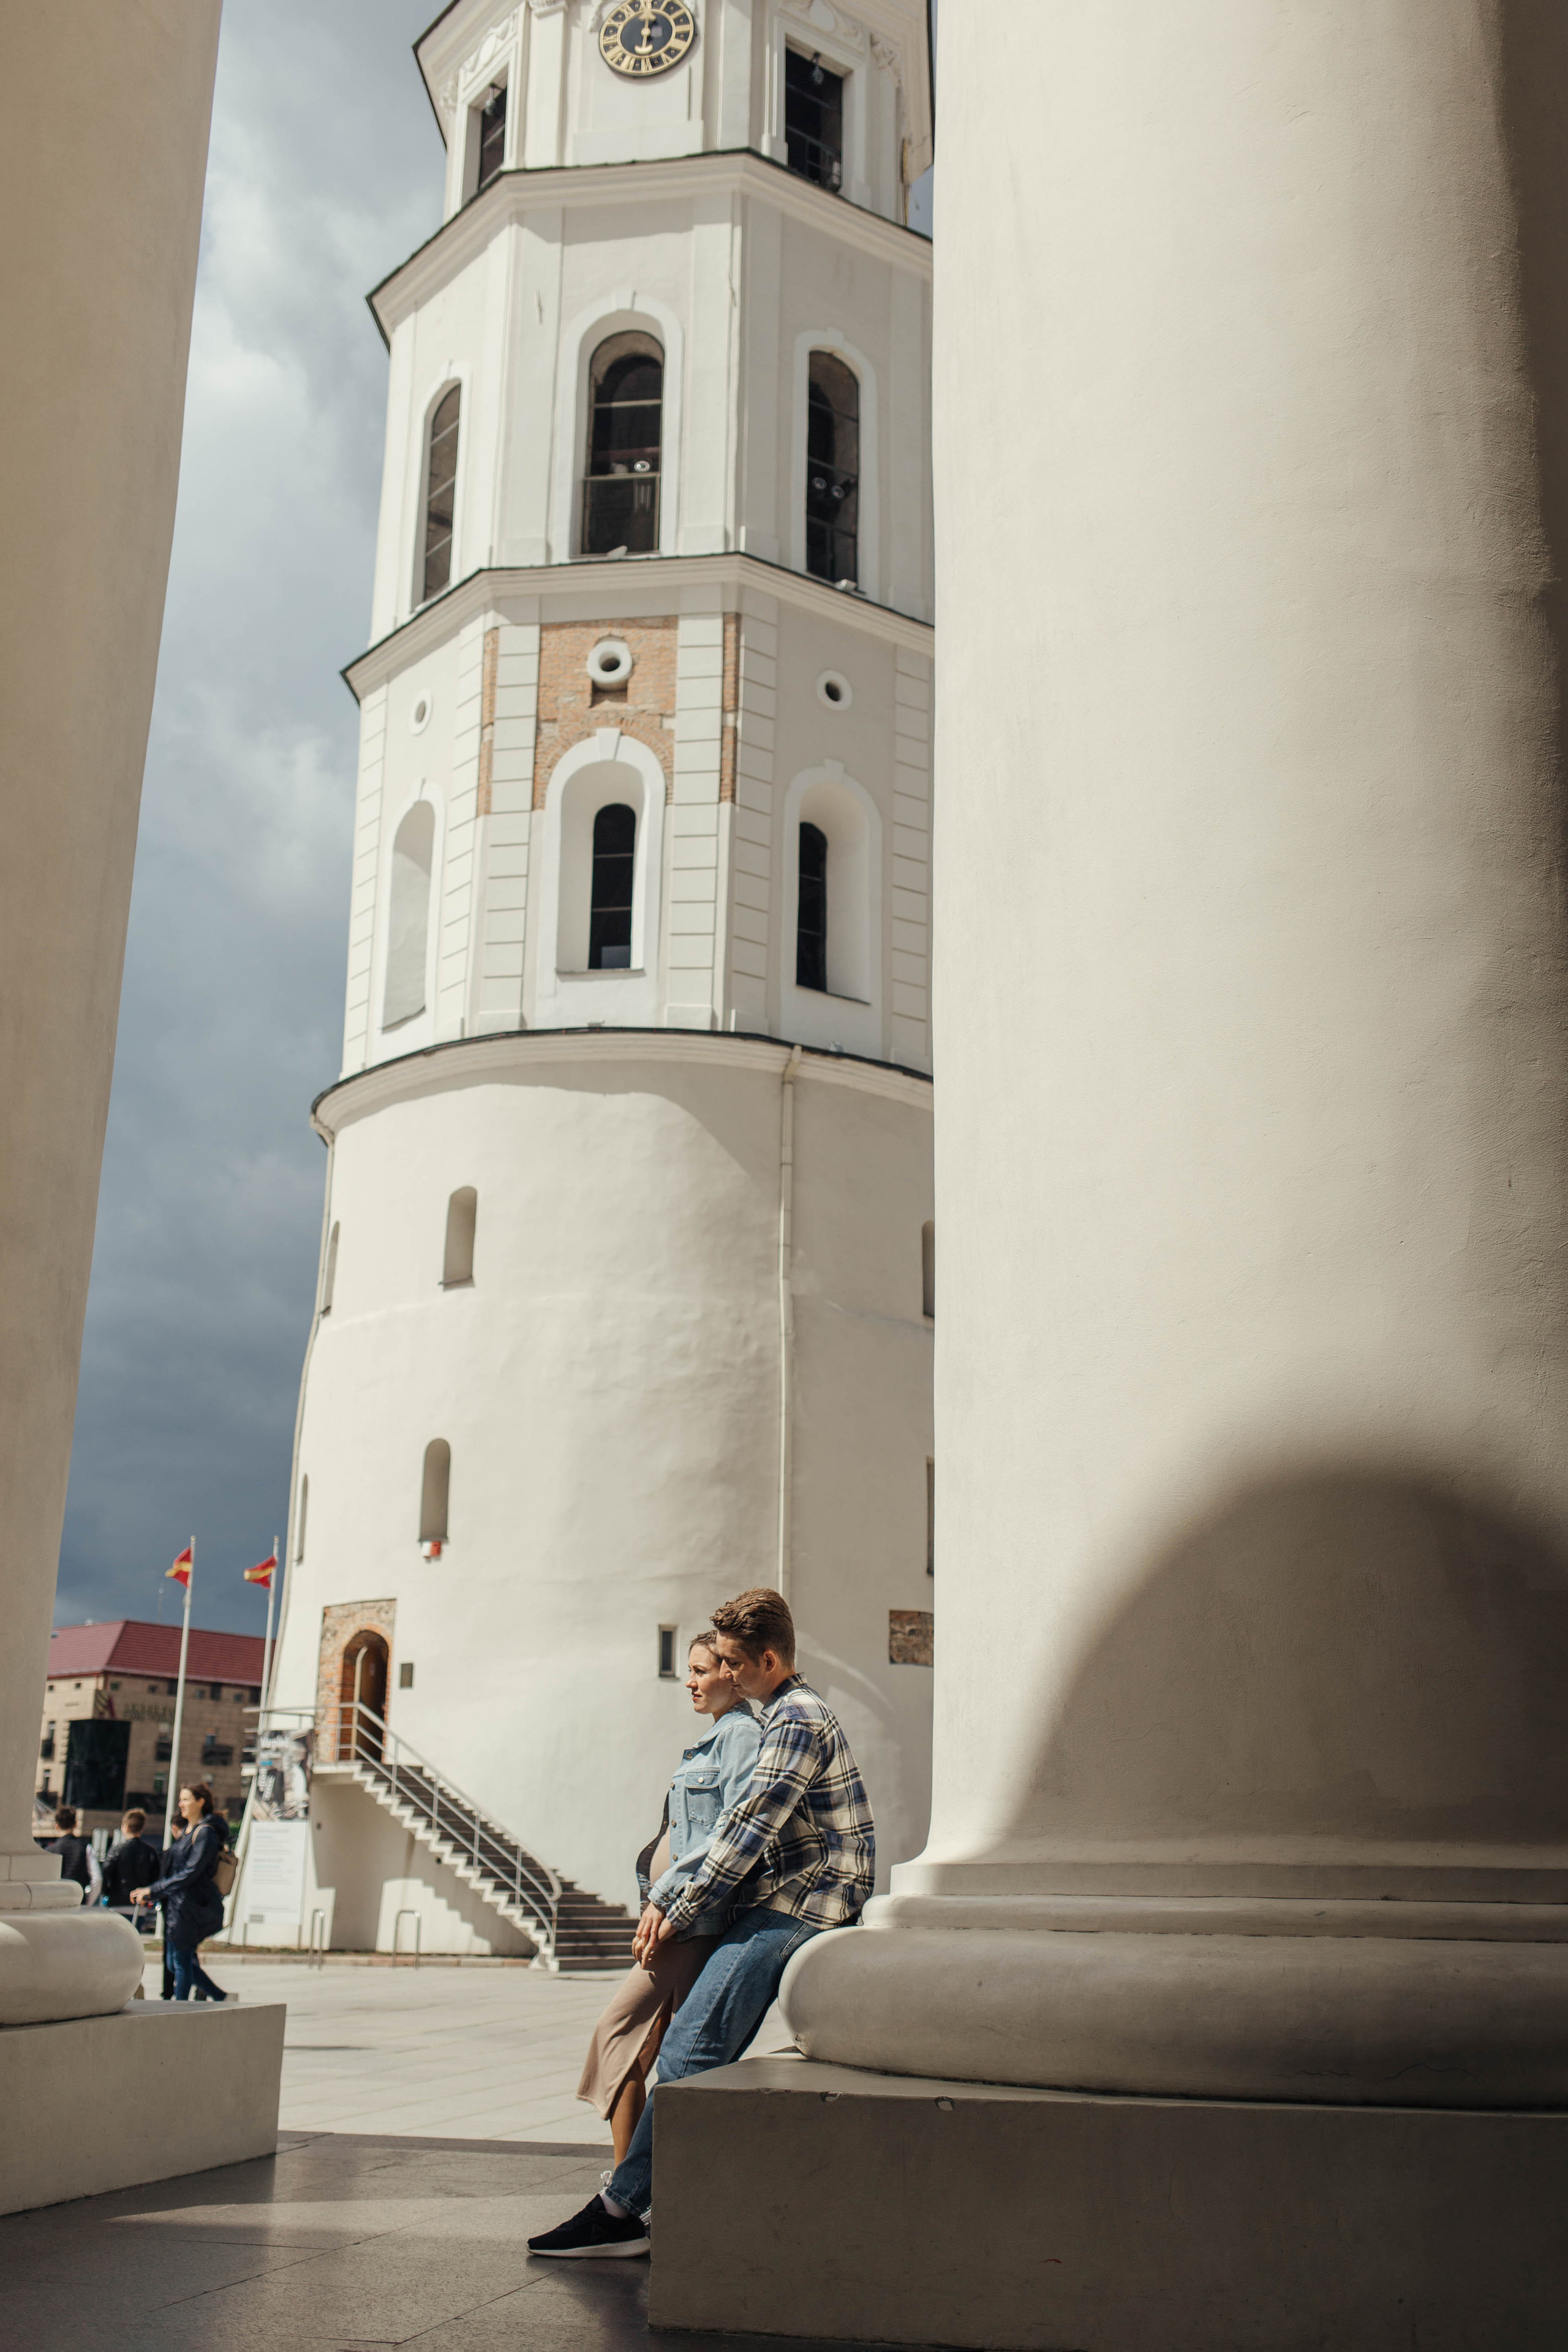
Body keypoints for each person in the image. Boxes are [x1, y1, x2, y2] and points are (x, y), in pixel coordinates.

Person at [529, 1586, 874, 2260]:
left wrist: (675, 1906)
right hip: (786, 1896)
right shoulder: (783, 1714)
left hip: (807, 1900)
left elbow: (747, 1828)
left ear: (768, 1660)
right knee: (689, 2046)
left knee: (690, 2049)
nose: (730, 1677)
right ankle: (638, 2202)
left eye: (735, 1665)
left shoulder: (795, 1719)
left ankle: (624, 2210)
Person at [575, 1632, 761, 2164]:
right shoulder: (718, 1736)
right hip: (676, 1920)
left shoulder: (740, 1736)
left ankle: (627, 2188)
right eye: (688, 1670)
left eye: (701, 1671)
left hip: (689, 1922)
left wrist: (665, 1898)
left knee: (618, 2033)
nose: (690, 1682)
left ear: (732, 1672)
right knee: (650, 2048)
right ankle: (639, 2184)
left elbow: (730, 1831)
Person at [131, 1781, 232, 2002]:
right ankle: (220, 1996)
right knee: (175, 1961)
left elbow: (190, 1872)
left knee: (181, 1961)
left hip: (192, 1906)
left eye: (186, 1799)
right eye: (181, 1799)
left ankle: (180, 2008)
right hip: (178, 1905)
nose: (181, 1804)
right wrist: (152, 1890)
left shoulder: (205, 1833)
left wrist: (154, 1890)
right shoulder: (189, 1832)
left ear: (200, 1802)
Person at [102, 1807, 160, 1918]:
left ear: (125, 1827)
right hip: (139, 1905)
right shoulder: (150, 1852)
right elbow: (156, 1878)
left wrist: (107, 1893)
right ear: (142, 1828)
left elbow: (105, 1873)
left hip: (117, 1902)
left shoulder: (117, 1850)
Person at [47, 1806, 102, 1907]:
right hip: (77, 1903)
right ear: (75, 1824)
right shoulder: (86, 1848)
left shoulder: (49, 1851)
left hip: (54, 1904)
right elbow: (97, 1879)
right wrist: (88, 1903)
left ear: (57, 1826)